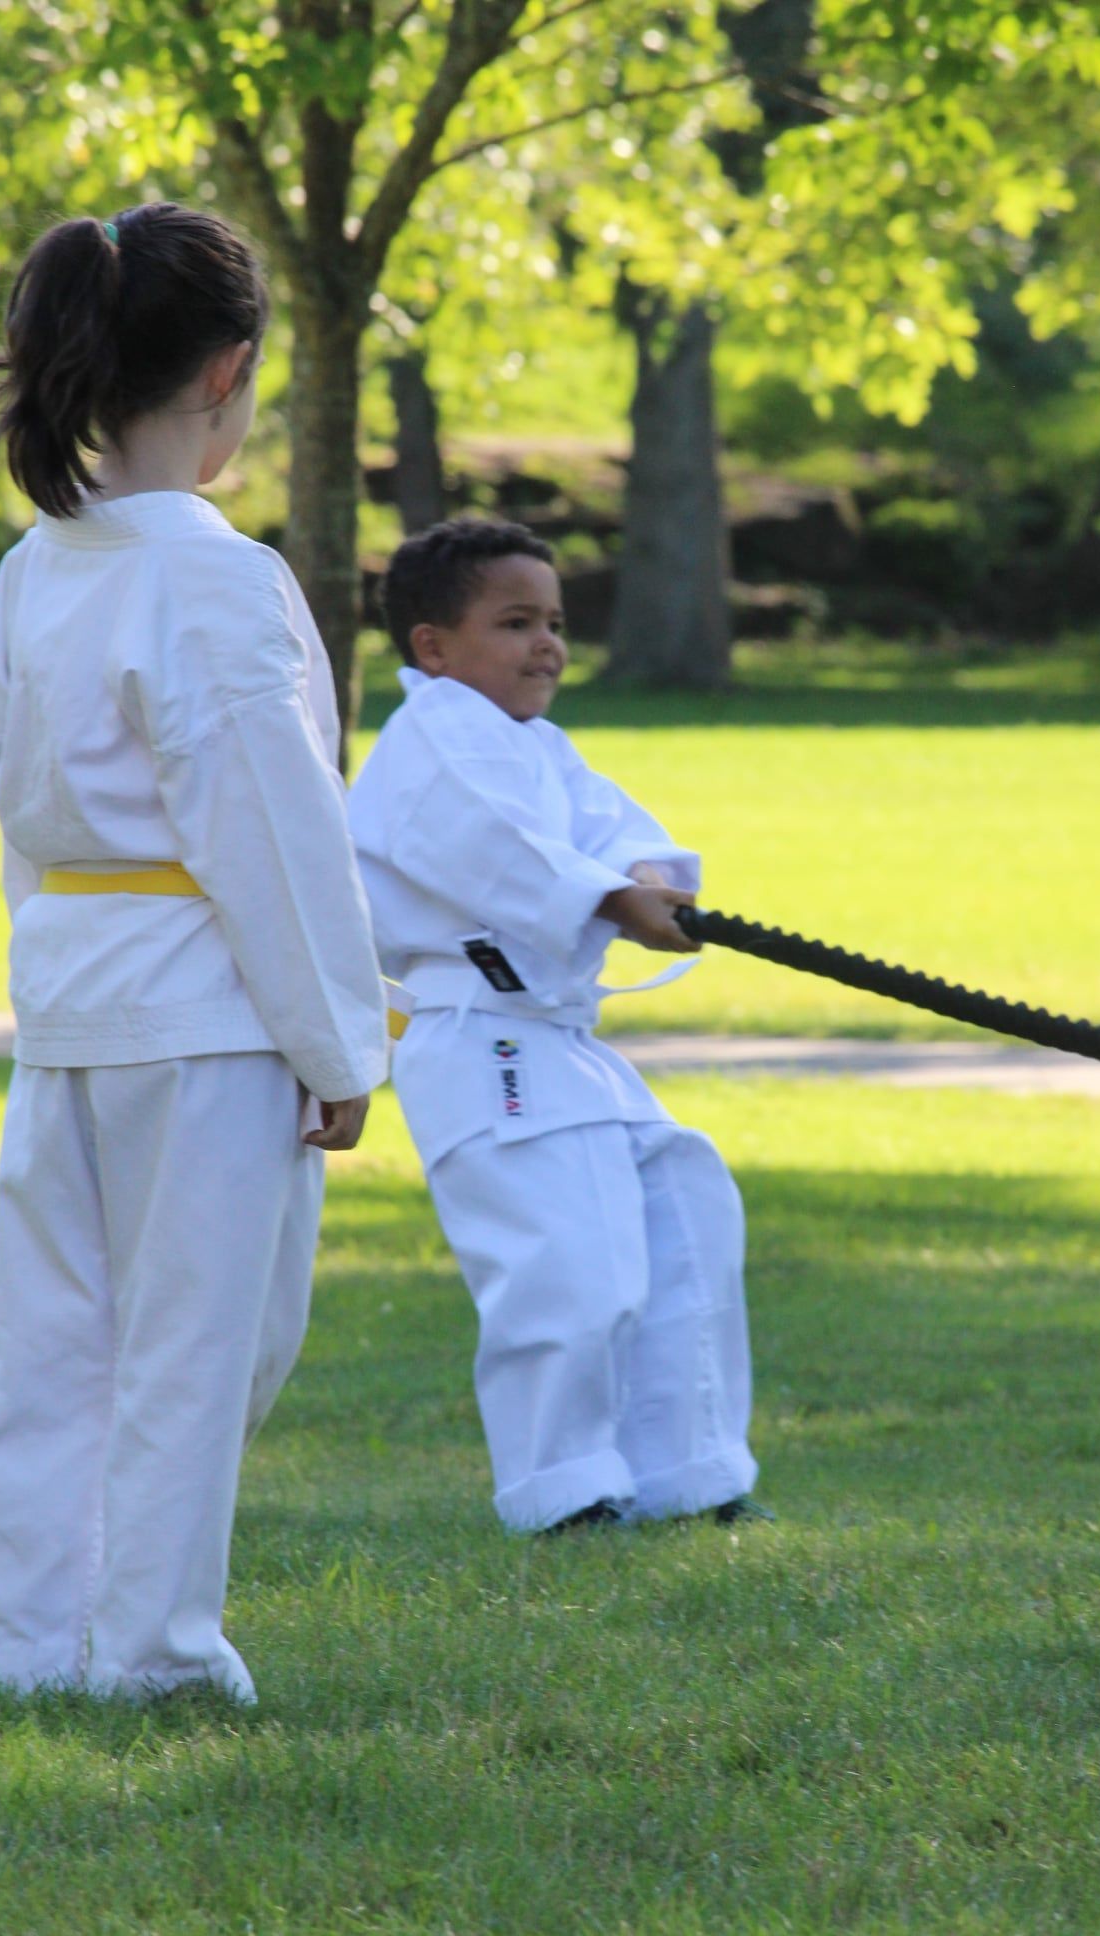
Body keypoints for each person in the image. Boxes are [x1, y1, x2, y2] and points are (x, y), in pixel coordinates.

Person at [0, 203, 387, 1701]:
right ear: (227, 372)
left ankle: (23, 1642)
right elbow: (272, 830)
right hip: (205, 1013)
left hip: (80, 995)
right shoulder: (213, 579)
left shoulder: (40, 569)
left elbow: (24, 803)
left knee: (57, 1346)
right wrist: (341, 1043)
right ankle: (150, 1654)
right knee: (205, 1348)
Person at [348, 518, 760, 1534]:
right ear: (433, 646)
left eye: (557, 623)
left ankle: (687, 1473)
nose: (548, 645)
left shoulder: (534, 744)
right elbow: (500, 851)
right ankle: (564, 1490)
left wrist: (653, 877)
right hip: (482, 1040)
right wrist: (615, 899)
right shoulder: (434, 742)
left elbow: (609, 827)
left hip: (555, 1040)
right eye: (516, 622)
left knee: (681, 1217)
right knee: (566, 1265)